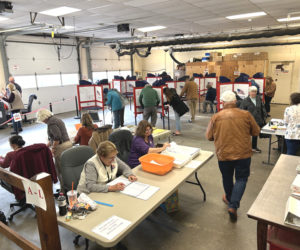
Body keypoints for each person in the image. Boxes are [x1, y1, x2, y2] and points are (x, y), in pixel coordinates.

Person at [206, 91, 260, 222]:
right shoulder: (246, 114)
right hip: (243, 154)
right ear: (235, 101)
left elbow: (209, 136)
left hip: (224, 154)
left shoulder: (216, 117)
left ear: (222, 103)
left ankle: (230, 200)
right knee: (241, 179)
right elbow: (256, 131)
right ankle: (233, 205)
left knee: (227, 177)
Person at [36, 109, 72, 190]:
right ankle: (68, 187)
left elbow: (57, 137)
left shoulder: (51, 123)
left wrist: (53, 148)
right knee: (68, 168)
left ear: (43, 117)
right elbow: (54, 138)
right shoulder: (57, 119)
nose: (42, 122)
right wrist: (46, 145)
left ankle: (63, 190)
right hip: (68, 144)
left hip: (61, 147)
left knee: (60, 170)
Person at [240, 86, 267, 153]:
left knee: (255, 134)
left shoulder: (258, 98)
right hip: (249, 120)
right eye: (252, 91)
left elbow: (262, 107)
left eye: (255, 91)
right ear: (249, 92)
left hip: (258, 120)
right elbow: (242, 111)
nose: (254, 93)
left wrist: (264, 116)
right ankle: (245, 148)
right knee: (246, 135)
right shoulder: (245, 101)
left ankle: (254, 147)